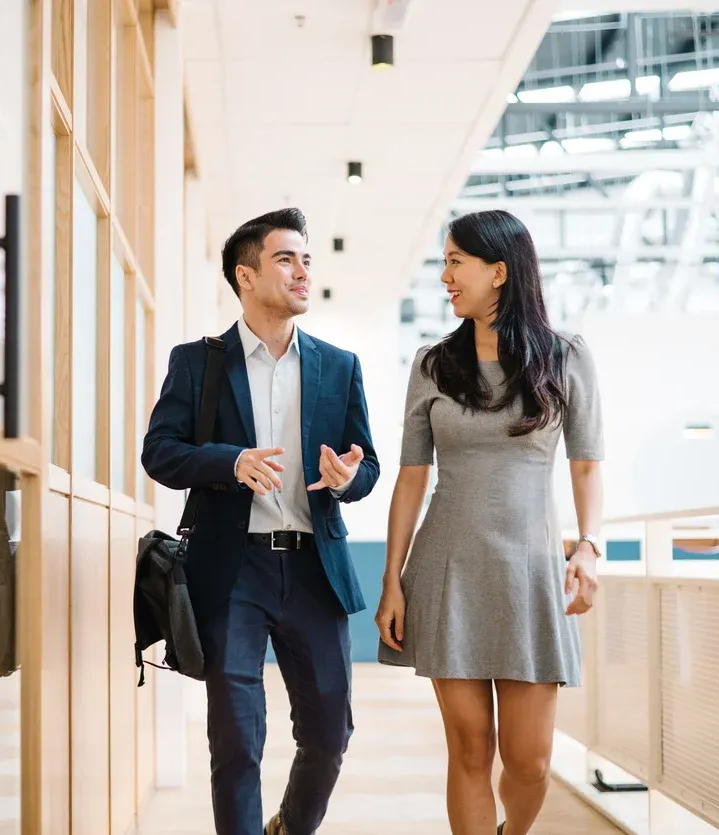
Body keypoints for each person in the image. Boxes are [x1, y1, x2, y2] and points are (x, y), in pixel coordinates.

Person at [142, 208, 379, 835]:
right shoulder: (198, 363)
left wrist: (352, 479)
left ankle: (289, 828)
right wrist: (232, 461)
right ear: (245, 276)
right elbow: (159, 452)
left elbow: (369, 465)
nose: (303, 270)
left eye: (307, 259)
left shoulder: (338, 365)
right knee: (237, 740)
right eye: (286, 258)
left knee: (330, 733)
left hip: (313, 568)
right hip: (231, 572)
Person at [375, 210, 604, 835]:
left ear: (499, 272)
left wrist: (588, 545)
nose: (444, 276)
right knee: (470, 751)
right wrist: (392, 580)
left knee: (529, 762)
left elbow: (586, 467)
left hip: (531, 576)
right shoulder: (432, 365)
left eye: (455, 262)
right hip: (448, 570)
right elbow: (412, 478)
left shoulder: (565, 358)